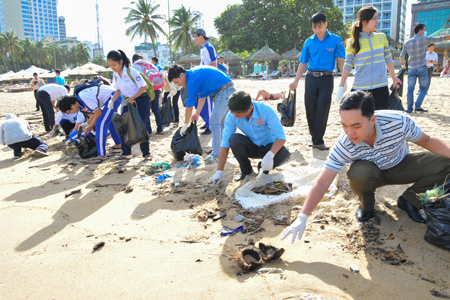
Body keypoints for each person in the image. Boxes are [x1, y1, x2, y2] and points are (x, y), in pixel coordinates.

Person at [280, 91, 450, 244]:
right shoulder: (344, 143)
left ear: (372, 119)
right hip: (372, 174)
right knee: (357, 173)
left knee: (446, 165)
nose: (350, 133)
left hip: (402, 165)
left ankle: (409, 201)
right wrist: (303, 216)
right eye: (344, 126)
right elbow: (323, 182)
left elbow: (427, 141)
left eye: (356, 126)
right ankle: (367, 206)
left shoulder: (398, 121)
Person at [289, 13, 345, 151]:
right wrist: (296, 80)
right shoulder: (308, 42)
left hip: (327, 79)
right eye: (314, 27)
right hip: (310, 78)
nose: (317, 30)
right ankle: (315, 137)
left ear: (325, 24)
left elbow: (341, 62)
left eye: (319, 26)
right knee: (310, 108)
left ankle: (318, 140)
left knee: (323, 109)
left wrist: (343, 82)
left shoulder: (336, 40)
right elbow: (303, 62)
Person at [210, 91, 291, 182]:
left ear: (250, 108)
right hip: (252, 146)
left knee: (285, 154)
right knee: (234, 139)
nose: (235, 116)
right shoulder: (232, 115)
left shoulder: (266, 110)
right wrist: (219, 171)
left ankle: (262, 168)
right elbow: (225, 143)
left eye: (239, 115)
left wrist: (270, 154)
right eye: (233, 113)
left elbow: (280, 137)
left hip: (269, 147)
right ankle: (246, 171)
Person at [337, 6, 401, 110]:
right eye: (374, 18)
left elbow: (388, 59)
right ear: (364, 22)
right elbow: (348, 64)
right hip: (360, 87)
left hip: (381, 86)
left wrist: (394, 78)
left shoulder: (381, 37)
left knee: (380, 120)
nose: (377, 21)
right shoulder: (352, 42)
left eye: (377, 18)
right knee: (361, 121)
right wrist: (341, 85)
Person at [168, 64, 236, 162]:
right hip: (223, 91)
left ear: (182, 75)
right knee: (220, 123)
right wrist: (197, 113)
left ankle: (217, 154)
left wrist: (186, 125)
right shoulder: (193, 75)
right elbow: (202, 95)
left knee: (214, 122)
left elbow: (189, 105)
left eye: (177, 82)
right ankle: (220, 150)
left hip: (225, 91)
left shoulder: (191, 79)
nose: (178, 85)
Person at [57, 83, 124, 163]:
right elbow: (98, 112)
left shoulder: (83, 98)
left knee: (100, 124)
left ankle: (102, 155)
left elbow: (98, 113)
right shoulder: (80, 102)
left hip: (113, 97)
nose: (71, 113)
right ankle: (118, 143)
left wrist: (90, 126)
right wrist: (87, 124)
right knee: (106, 121)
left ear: (71, 106)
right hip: (111, 98)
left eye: (69, 112)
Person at [107, 49, 152, 161]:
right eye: (110, 65)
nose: (112, 67)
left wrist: (133, 98)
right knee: (124, 127)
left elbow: (144, 87)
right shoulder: (116, 75)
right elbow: (118, 90)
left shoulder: (132, 72)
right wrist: (112, 101)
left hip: (141, 100)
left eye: (114, 64)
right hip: (128, 101)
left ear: (121, 62)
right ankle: (126, 153)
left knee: (141, 126)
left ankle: (146, 154)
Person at [400, 23, 450, 113]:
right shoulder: (424, 40)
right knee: (424, 88)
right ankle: (418, 106)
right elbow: (440, 38)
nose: (425, 31)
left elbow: (401, 57)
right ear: (420, 31)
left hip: (411, 68)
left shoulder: (407, 42)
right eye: (424, 30)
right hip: (422, 68)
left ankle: (409, 108)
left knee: (410, 89)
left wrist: (403, 65)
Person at [132, 54, 164, 135]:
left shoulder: (135, 66)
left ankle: (149, 131)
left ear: (134, 60)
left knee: (146, 111)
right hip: (156, 89)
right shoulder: (150, 64)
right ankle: (160, 129)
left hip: (145, 91)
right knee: (156, 109)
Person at [194, 28, 217, 135]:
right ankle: (207, 121)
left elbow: (213, 64)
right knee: (198, 101)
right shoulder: (203, 48)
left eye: (195, 36)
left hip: (207, 79)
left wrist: (209, 79)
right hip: (202, 77)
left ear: (201, 36)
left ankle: (210, 125)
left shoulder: (208, 47)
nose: (194, 39)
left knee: (207, 103)